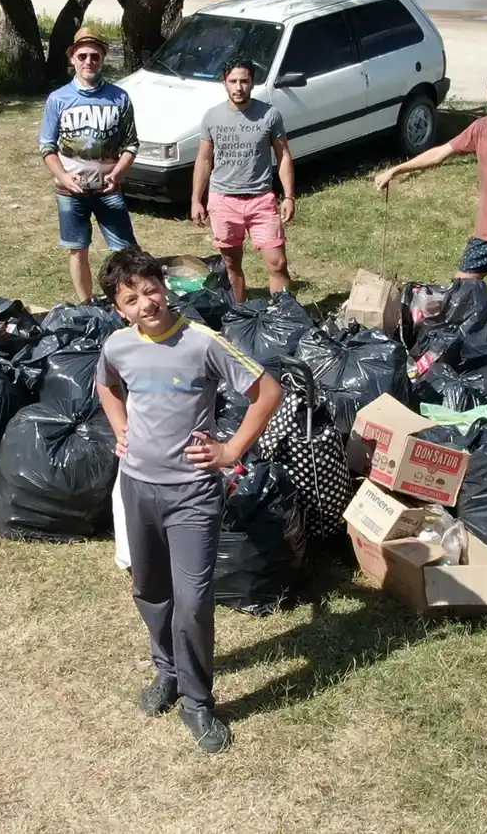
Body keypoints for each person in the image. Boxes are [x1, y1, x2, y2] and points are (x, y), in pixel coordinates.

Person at [95, 249, 282, 753]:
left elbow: (267, 391)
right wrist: (121, 430)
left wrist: (231, 449)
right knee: (149, 588)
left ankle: (197, 702)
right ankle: (168, 671)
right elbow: (106, 386)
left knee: (194, 601)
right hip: (137, 485)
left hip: (192, 494)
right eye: (130, 299)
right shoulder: (117, 345)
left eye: (150, 289)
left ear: (165, 285)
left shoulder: (202, 342)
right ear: (118, 308)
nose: (145, 304)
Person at [375, 68, 487, 353]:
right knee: (459, 293)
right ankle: (456, 345)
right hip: (486, 232)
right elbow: (441, 152)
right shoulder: (482, 128)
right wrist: (397, 170)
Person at [40, 26, 140, 303]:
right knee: (78, 249)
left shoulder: (119, 98)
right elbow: (47, 147)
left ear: (103, 58)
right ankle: (86, 304)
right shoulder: (58, 99)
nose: (88, 62)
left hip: (109, 190)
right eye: (82, 55)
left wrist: (118, 174)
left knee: (126, 251)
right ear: (72, 57)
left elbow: (131, 144)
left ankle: (126, 301)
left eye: (94, 56)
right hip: (70, 192)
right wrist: (63, 176)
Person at [191, 58, 296, 303]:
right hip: (223, 201)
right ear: (224, 83)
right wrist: (197, 199)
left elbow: (283, 157)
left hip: (261, 199)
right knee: (231, 263)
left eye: (244, 81)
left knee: (277, 263)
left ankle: (283, 316)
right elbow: (204, 160)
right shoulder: (212, 117)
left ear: (253, 82)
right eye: (233, 81)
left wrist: (289, 196)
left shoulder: (269, 115)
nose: (239, 87)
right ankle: (239, 313)